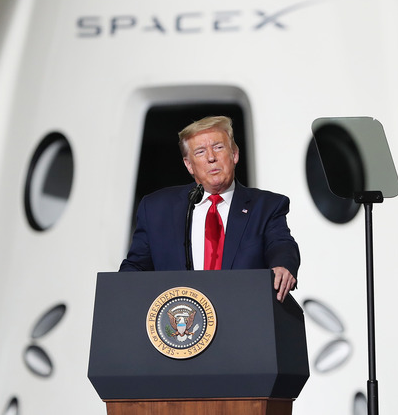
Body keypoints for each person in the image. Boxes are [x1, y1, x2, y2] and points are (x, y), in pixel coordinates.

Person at [119, 116, 300, 302]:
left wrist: (282, 265)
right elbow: (136, 267)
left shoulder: (266, 206)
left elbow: (281, 244)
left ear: (235, 154)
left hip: (244, 316)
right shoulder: (157, 208)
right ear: (189, 165)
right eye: (200, 152)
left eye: (218, 147)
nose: (211, 157)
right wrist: (119, 293)